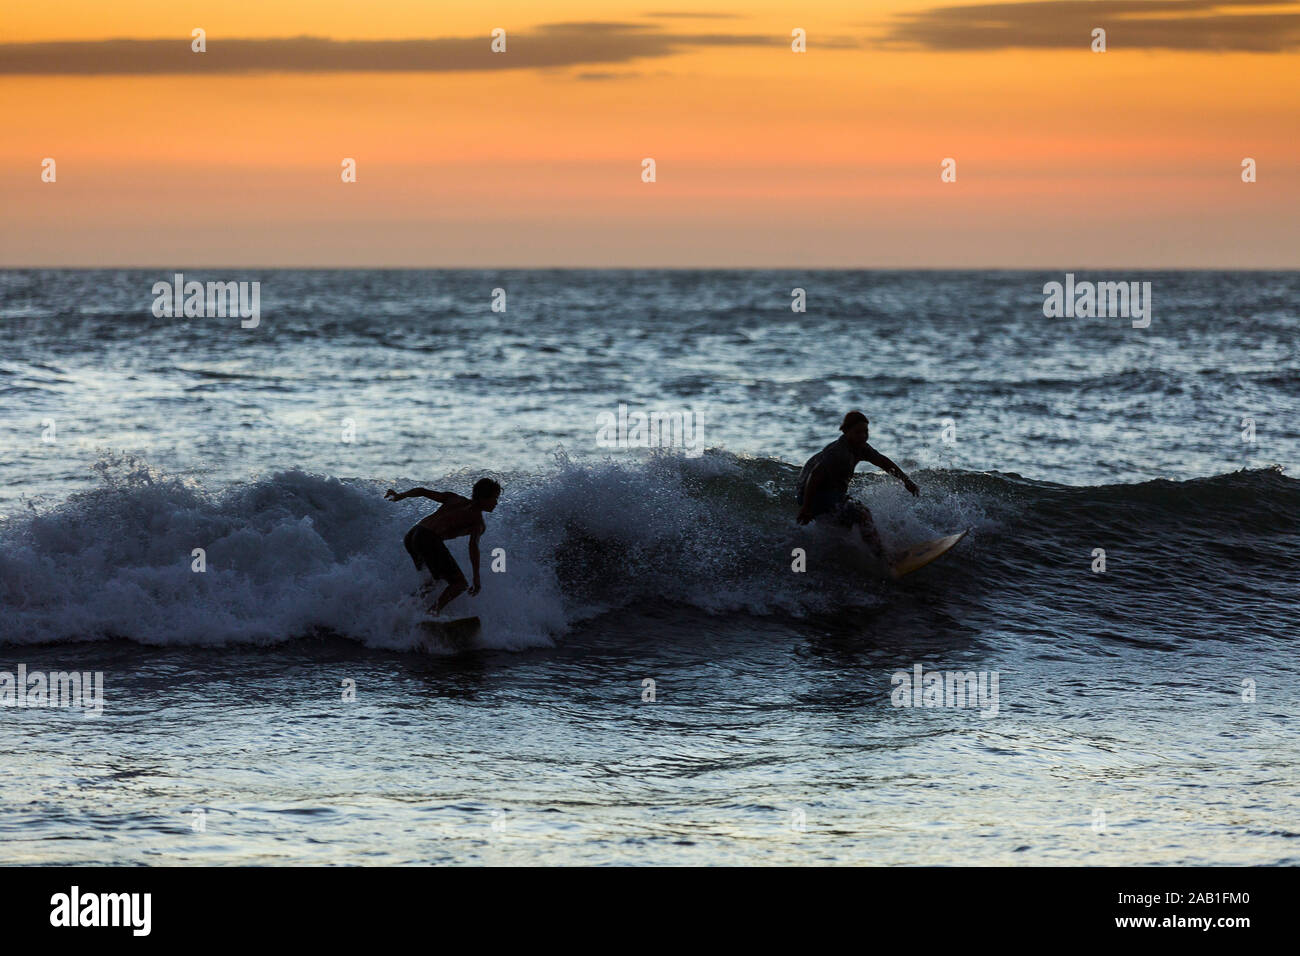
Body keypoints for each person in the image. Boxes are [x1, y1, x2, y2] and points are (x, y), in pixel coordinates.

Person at [796, 411, 918, 562]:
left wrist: (906, 481)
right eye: (858, 432)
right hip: (814, 494)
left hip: (829, 492)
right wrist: (807, 508)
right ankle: (883, 557)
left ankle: (851, 557)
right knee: (862, 513)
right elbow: (814, 476)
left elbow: (883, 462)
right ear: (846, 432)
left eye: (866, 431)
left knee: (851, 518)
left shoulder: (861, 448)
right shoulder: (838, 452)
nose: (863, 436)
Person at [385, 477, 501, 614]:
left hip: (412, 535)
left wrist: (400, 495)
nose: (496, 503)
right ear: (483, 498)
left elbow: (422, 491)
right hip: (427, 538)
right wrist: (476, 576)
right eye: (494, 498)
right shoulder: (477, 522)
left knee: (431, 583)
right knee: (459, 584)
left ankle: (401, 611)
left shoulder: (454, 498)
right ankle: (432, 613)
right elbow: (473, 547)